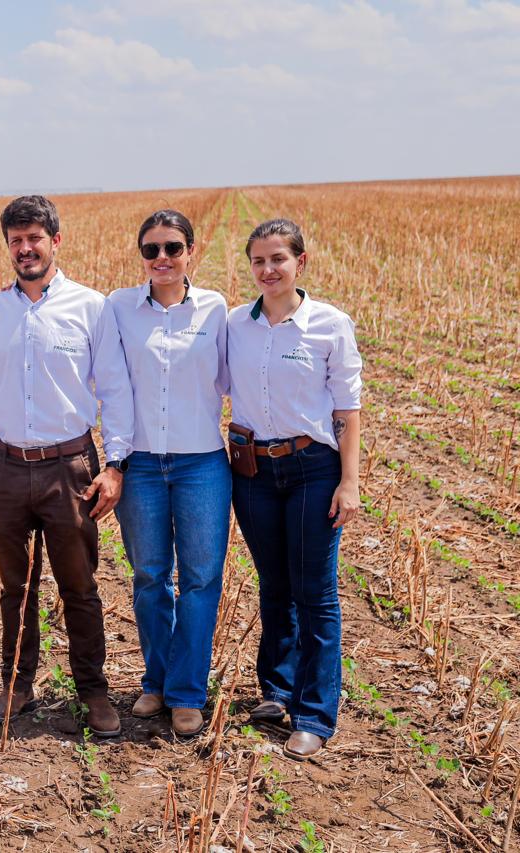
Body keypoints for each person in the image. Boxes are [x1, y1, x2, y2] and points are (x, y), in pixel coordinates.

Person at [0, 195, 134, 738]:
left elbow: (114, 389)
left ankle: (94, 692)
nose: (25, 248)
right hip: (7, 467)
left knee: (79, 587)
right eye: (16, 240)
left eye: (34, 238)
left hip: (71, 469)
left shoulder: (91, 307)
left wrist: (115, 465)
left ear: (55, 242)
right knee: (17, 588)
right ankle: (17, 685)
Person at [227, 218, 362, 760]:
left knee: (316, 593)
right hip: (254, 472)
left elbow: (347, 410)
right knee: (273, 584)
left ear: (299, 262)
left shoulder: (329, 325)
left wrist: (349, 482)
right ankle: (277, 691)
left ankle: (313, 713)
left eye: (278, 259)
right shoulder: (237, 324)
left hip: (312, 470)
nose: (267, 270)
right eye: (258, 261)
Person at [107, 210, 231, 738]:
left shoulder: (217, 310)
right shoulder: (117, 307)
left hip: (202, 463)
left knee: (200, 581)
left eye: (173, 248)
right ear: (141, 256)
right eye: (152, 249)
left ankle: (186, 692)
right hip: (140, 466)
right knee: (150, 577)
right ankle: (155, 682)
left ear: (190, 252)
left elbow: (234, 375)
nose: (162, 258)